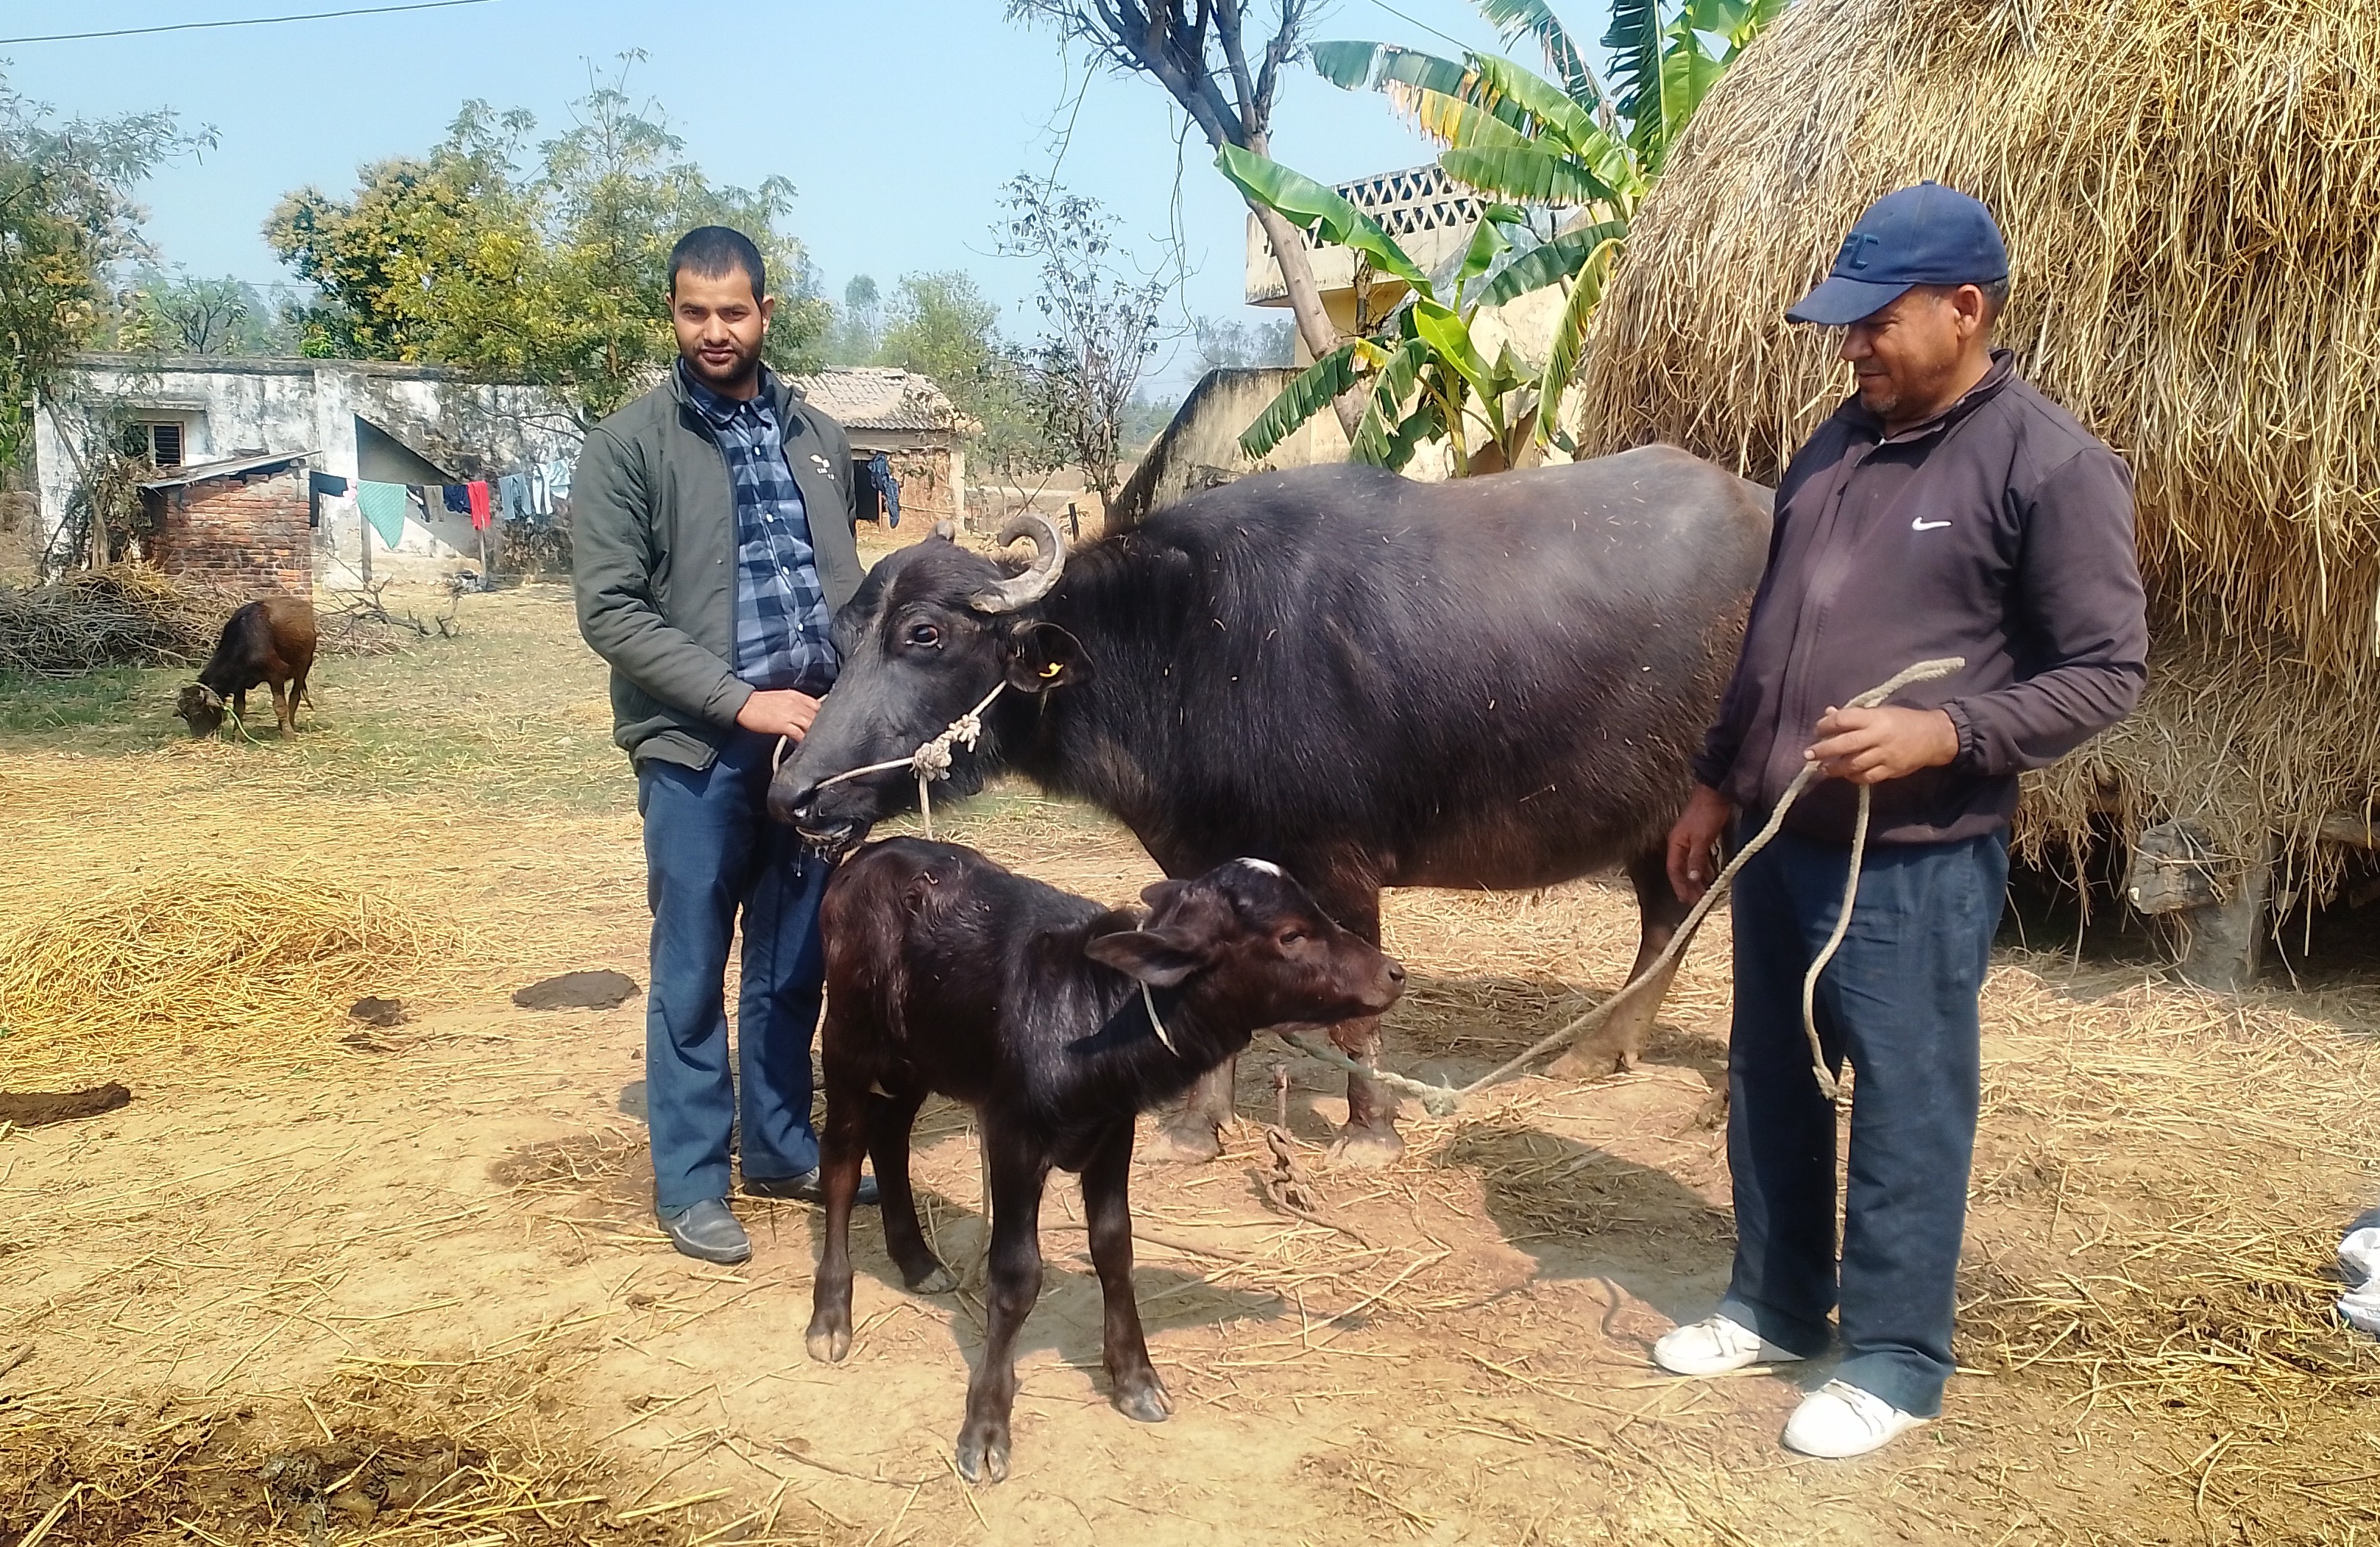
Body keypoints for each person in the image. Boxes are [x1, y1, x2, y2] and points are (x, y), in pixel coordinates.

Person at [1657, 183, 2148, 1456]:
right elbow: (1769, 637)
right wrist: (1717, 775)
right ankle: (1773, 1302)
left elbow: (2107, 670)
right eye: (1844, 325)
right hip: (1782, 842)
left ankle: (1892, 1355)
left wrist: (1947, 732)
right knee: (1767, 1077)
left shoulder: (2050, 464)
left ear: (1965, 309)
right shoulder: (1833, 443)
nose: (1852, 346)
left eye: (1875, 322)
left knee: (1904, 1099)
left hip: (1915, 861)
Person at [575, 225, 879, 1266]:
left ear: (765, 314)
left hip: (814, 750)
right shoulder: (629, 446)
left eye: (732, 311)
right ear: (673, 314)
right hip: (698, 751)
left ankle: (782, 1148)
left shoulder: (819, 436)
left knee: (795, 965)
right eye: (694, 312)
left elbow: (840, 586)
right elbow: (610, 611)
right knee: (692, 969)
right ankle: (695, 1179)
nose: (714, 331)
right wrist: (740, 702)